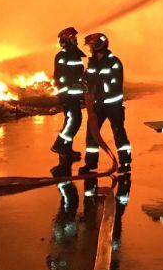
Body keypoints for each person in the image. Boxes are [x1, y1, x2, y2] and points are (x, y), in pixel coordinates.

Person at [80, 32, 132, 174]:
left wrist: (93, 81)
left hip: (113, 105)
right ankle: (90, 164)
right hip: (98, 105)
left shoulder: (114, 62)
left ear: (98, 46)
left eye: (91, 46)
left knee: (118, 132)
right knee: (92, 133)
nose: (89, 49)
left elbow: (108, 81)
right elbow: (87, 79)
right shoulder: (93, 62)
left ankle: (125, 163)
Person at [50, 26, 86, 163]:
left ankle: (67, 148)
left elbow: (78, 74)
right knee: (73, 120)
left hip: (74, 94)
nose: (76, 40)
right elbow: (61, 77)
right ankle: (59, 145)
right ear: (66, 39)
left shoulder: (74, 54)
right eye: (73, 38)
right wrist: (73, 87)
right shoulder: (62, 55)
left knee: (72, 120)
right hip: (68, 94)